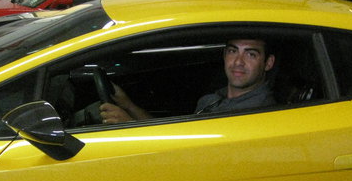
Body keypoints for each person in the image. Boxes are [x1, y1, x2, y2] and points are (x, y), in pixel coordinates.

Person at [99, 38, 276, 124]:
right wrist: (129, 106)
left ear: (268, 63)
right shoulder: (216, 99)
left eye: (251, 54)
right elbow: (174, 135)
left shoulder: (256, 115)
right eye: (232, 51)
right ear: (224, 55)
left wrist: (128, 124)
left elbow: (185, 157)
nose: (238, 62)